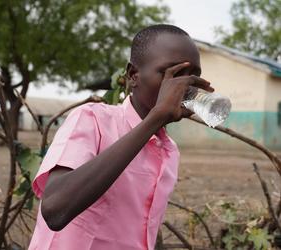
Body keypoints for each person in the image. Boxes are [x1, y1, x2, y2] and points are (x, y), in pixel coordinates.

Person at [28, 24, 214, 250]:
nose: (184, 86)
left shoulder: (169, 150)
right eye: (172, 74)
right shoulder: (92, 119)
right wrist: (155, 118)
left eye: (194, 76)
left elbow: (144, 228)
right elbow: (55, 210)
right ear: (134, 75)